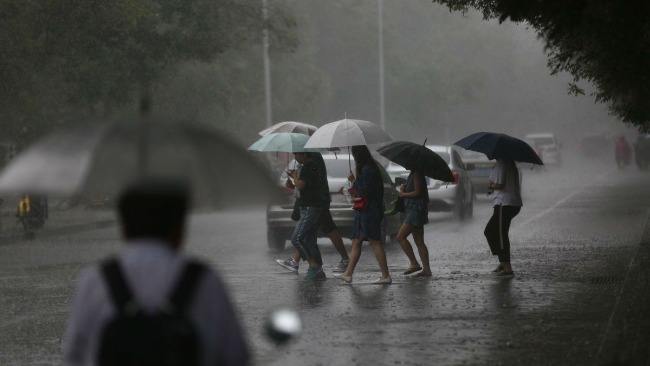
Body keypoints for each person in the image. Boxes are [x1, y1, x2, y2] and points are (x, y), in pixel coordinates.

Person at [62, 179, 249, 366]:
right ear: (180, 229)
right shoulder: (206, 280)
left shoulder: (94, 280)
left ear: (124, 228)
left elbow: (73, 355)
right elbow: (236, 356)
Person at [276, 153, 350, 273]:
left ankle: (318, 264)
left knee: (321, 230)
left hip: (317, 202)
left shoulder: (312, 160)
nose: (295, 156)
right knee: (309, 233)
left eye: (296, 153)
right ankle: (305, 263)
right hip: (313, 202)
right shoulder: (307, 162)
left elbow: (306, 183)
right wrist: (294, 182)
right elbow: (302, 184)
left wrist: (296, 179)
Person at [339, 146, 391, 284]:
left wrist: (353, 182)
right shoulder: (368, 168)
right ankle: (348, 274)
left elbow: (363, 191)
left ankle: (386, 275)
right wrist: (355, 181)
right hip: (365, 211)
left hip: (369, 212)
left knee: (375, 242)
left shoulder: (368, 170)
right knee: (356, 241)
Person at [285, 152, 329, 280]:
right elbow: (303, 187)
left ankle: (314, 266)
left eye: (297, 154)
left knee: (297, 238)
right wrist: (292, 184)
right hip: (308, 206)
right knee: (309, 239)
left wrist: (294, 177)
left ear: (304, 154)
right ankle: (317, 269)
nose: (295, 157)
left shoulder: (309, 166)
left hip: (311, 207)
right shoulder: (308, 166)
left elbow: (301, 185)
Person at [484, 159, 522, 277]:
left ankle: (507, 267)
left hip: (504, 203)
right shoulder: (508, 164)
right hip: (509, 203)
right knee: (499, 233)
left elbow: (500, 185)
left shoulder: (502, 164)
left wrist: (491, 185)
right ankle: (503, 261)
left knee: (494, 233)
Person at [396, 169, 432, 277]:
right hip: (416, 209)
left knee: (400, 237)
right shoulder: (414, 172)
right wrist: (404, 188)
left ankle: (414, 263)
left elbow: (417, 192)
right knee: (419, 241)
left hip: (416, 210)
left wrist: (403, 194)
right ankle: (426, 270)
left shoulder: (417, 172)